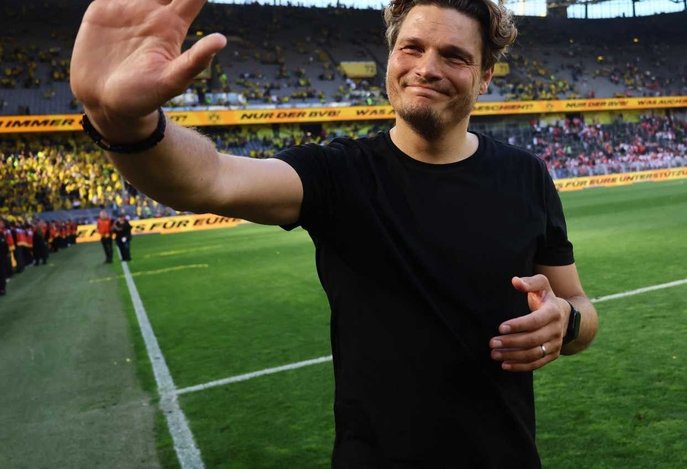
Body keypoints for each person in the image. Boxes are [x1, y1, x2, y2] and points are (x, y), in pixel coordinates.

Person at [70, 0, 599, 466]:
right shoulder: (338, 175)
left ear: (485, 76)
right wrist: (125, 124)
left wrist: (566, 322)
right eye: (411, 47)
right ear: (390, 57)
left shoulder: (526, 175)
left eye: (455, 56)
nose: (426, 68)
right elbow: (209, 180)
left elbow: (579, 307)